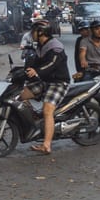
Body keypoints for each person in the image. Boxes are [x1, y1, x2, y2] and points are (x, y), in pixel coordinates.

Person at [24, 21, 68, 154]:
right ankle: (36, 120)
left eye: (34, 32)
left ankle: (46, 145)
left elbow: (51, 64)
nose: (31, 34)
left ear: (41, 32)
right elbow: (33, 63)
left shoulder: (55, 47)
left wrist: (37, 72)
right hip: (44, 81)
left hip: (58, 83)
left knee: (48, 110)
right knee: (21, 96)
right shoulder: (40, 46)